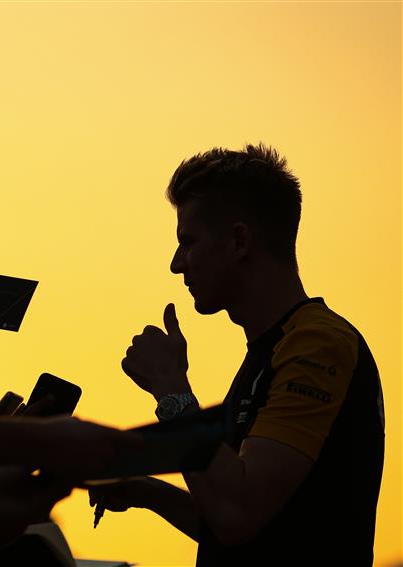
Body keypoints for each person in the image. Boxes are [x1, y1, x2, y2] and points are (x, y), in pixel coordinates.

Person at [90, 144, 384, 566]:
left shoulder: (318, 344)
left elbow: (238, 514)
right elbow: (248, 528)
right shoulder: (274, 348)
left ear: (239, 240)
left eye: (187, 242)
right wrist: (146, 492)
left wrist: (172, 390)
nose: (176, 264)